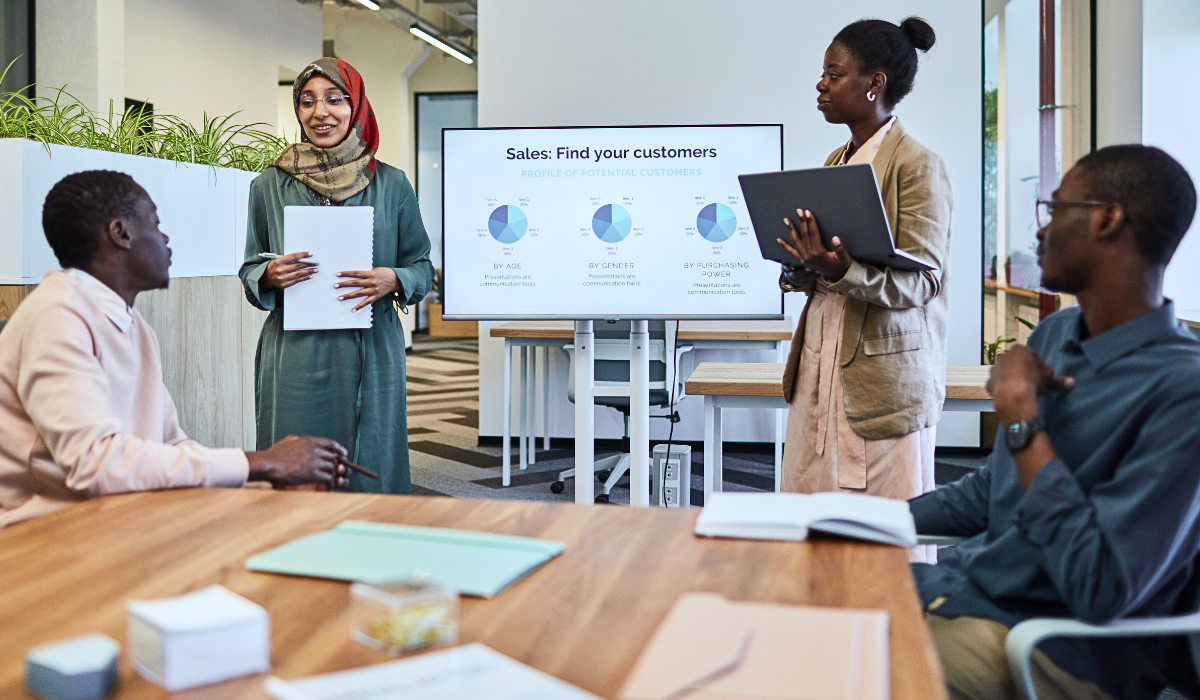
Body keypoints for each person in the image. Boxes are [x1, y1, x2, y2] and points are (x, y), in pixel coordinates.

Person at [911, 145, 1200, 700]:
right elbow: (987, 493)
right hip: (962, 595)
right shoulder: (1056, 335)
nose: (1039, 232)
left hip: (1059, 650)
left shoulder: (1181, 392)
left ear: (1107, 218)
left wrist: (1021, 418)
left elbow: (1102, 589)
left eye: (1055, 208)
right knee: (787, 605)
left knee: (824, 667)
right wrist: (859, 518)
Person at [0, 171, 353, 528]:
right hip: (42, 539)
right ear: (120, 234)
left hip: (116, 522)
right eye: (155, 223)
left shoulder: (133, 325)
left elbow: (171, 447)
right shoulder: (56, 317)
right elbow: (98, 465)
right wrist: (265, 461)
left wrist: (270, 480)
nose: (165, 238)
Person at [775, 17, 951, 562]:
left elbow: (924, 281)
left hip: (880, 372)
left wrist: (840, 271)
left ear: (872, 84)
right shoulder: (836, 162)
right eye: (823, 73)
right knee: (814, 516)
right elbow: (829, 270)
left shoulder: (918, 166)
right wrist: (803, 269)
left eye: (833, 72)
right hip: (822, 361)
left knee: (881, 535)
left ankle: (891, 638)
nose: (821, 84)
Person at [239, 58, 433, 495]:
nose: (319, 112)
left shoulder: (392, 184)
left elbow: (423, 266)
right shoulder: (269, 184)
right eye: (307, 101)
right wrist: (268, 273)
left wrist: (395, 279)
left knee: (371, 458)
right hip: (296, 350)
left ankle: (372, 546)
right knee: (293, 460)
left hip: (372, 346)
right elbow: (250, 266)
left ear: (357, 105)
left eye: (334, 99)